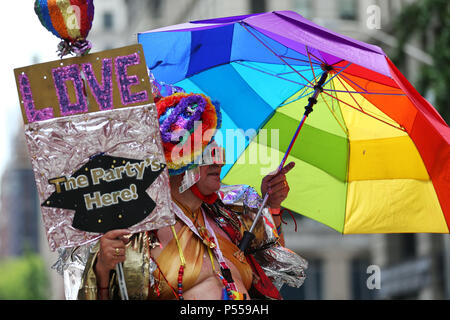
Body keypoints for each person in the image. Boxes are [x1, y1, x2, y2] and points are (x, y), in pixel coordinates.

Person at [76, 91, 306, 300]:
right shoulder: (134, 234)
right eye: (208, 153)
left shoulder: (229, 219)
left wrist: (272, 206)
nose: (220, 161)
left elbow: (271, 271)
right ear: (176, 162)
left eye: (220, 151)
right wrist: (103, 270)